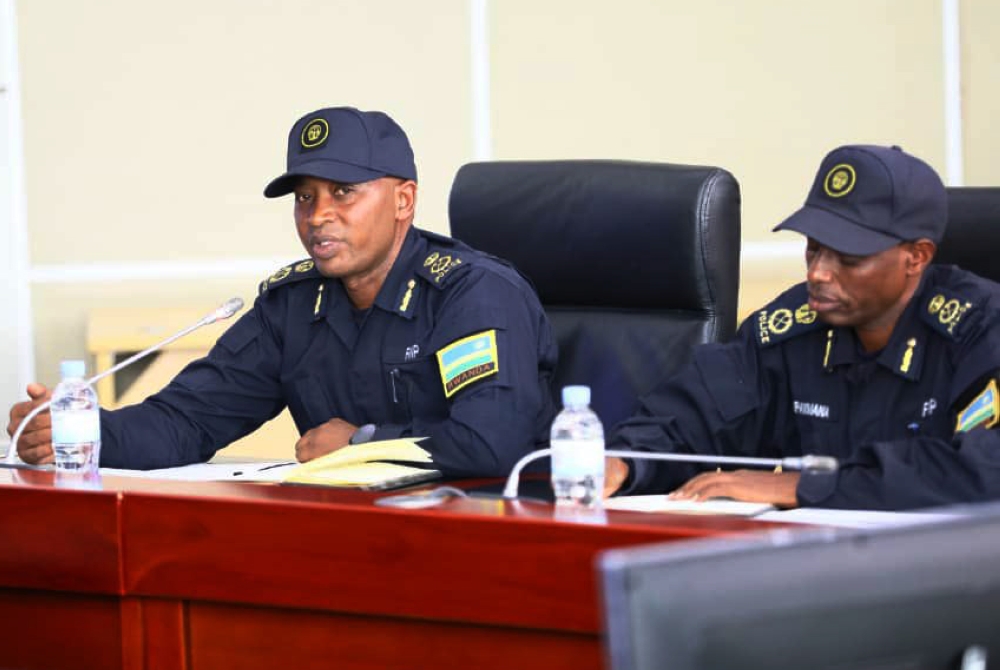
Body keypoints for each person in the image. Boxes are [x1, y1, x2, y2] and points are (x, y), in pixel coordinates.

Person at [8, 106, 558, 476]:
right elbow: (188, 421)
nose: (318, 216)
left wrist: (362, 443)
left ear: (403, 201)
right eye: (303, 197)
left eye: (343, 192)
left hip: (484, 539)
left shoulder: (474, 293)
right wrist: (81, 434)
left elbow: (493, 443)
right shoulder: (294, 306)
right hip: (347, 543)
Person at [605, 144, 1000, 510]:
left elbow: (987, 467)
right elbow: (699, 412)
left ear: (916, 257)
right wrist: (626, 463)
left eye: (847, 257)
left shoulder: (980, 328)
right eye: (814, 248)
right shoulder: (795, 322)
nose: (818, 273)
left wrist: (806, 486)